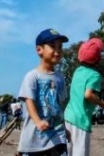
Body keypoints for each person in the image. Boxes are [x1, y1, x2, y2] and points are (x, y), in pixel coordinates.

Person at [64, 37, 104, 156]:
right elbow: (88, 94)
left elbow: (99, 84)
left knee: (67, 152)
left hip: (67, 118)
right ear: (98, 58)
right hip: (81, 121)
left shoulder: (78, 71)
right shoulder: (94, 75)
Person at [17, 28, 70, 156]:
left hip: (57, 134)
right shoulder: (32, 76)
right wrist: (38, 121)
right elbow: (29, 101)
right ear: (39, 50)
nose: (57, 51)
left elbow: (60, 105)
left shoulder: (60, 78)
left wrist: (64, 127)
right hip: (35, 137)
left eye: (60, 47)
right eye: (52, 46)